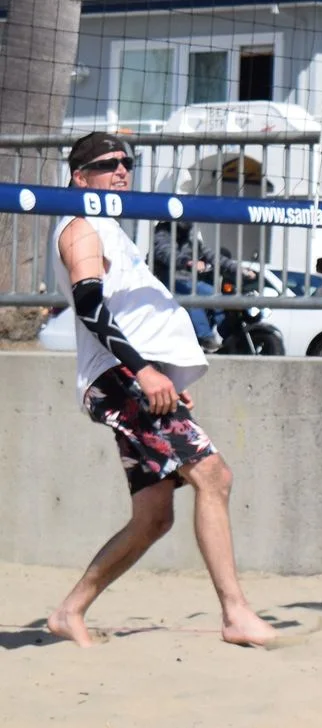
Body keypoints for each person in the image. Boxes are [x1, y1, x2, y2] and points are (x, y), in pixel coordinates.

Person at [43, 133, 277, 649]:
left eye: (126, 163)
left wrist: (161, 374)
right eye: (108, 164)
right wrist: (144, 373)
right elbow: (90, 306)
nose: (121, 171)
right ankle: (236, 614)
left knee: (153, 518)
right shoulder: (81, 227)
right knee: (214, 476)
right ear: (80, 177)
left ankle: (68, 611)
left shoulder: (109, 225)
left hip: (134, 379)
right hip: (121, 378)